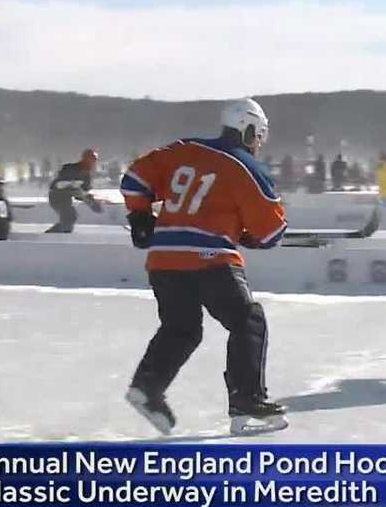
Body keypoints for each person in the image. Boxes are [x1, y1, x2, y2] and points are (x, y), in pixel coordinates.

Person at [120, 98, 288, 435]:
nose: (259, 143)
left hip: (163, 259)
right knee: (247, 321)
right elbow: (270, 232)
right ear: (248, 130)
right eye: (259, 135)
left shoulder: (183, 149)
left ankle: (147, 387)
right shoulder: (247, 168)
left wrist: (140, 216)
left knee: (181, 329)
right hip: (210, 260)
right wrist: (253, 237)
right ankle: (247, 400)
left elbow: (133, 180)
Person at [45, 149, 102, 233]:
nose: (92, 163)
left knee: (70, 217)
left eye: (93, 161)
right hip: (56, 195)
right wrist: (72, 187)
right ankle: (53, 235)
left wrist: (92, 202)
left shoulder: (87, 176)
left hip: (66, 198)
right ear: (84, 159)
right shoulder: (70, 168)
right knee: (69, 216)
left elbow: (83, 193)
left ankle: (62, 233)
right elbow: (59, 184)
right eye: (89, 160)